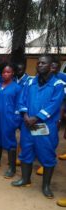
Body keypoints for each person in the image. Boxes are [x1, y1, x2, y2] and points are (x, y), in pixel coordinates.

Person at [11, 55, 64, 199]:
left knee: (47, 155)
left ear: (51, 65)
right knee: (25, 152)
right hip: (28, 125)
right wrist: (26, 115)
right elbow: (21, 100)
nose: (39, 65)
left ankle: (46, 186)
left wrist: (37, 117)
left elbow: (54, 104)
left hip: (44, 127)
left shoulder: (58, 84)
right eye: (38, 63)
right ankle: (25, 179)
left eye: (43, 63)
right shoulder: (29, 82)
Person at [0, 64, 21, 177]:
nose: (5, 74)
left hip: (8, 118)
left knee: (9, 141)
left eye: (8, 72)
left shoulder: (16, 88)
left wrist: (15, 120)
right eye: (4, 72)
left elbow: (19, 105)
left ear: (12, 73)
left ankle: (12, 168)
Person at [14, 61, 32, 166]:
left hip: (23, 111)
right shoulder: (13, 79)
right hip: (13, 111)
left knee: (24, 136)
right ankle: (14, 154)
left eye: (20, 70)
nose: (18, 72)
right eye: (16, 70)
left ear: (24, 69)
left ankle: (21, 156)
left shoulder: (29, 81)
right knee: (11, 132)